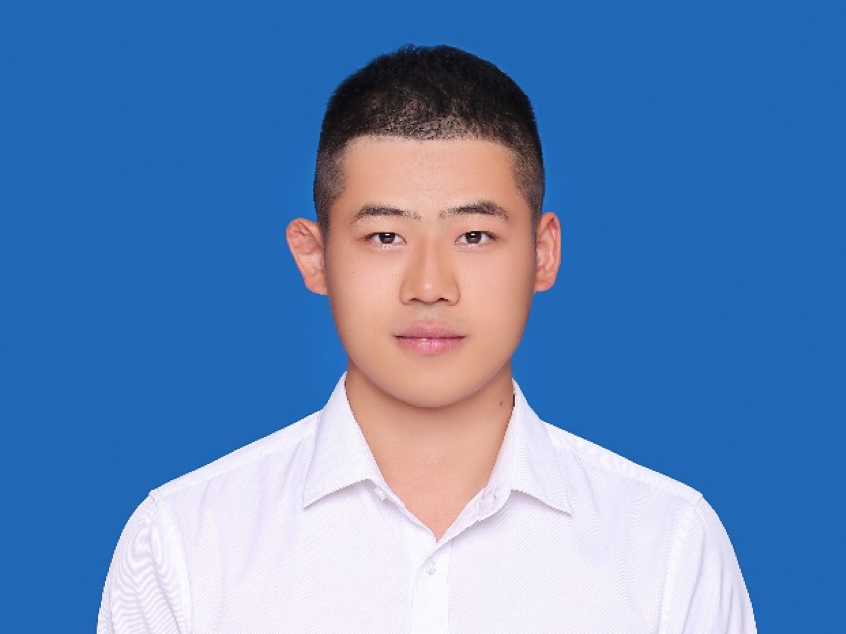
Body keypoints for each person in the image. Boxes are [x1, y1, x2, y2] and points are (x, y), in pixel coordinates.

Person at [98, 45, 756, 633]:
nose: (430, 286)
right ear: (315, 257)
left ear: (543, 253)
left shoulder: (668, 546)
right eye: (386, 236)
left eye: (475, 236)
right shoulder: (184, 544)